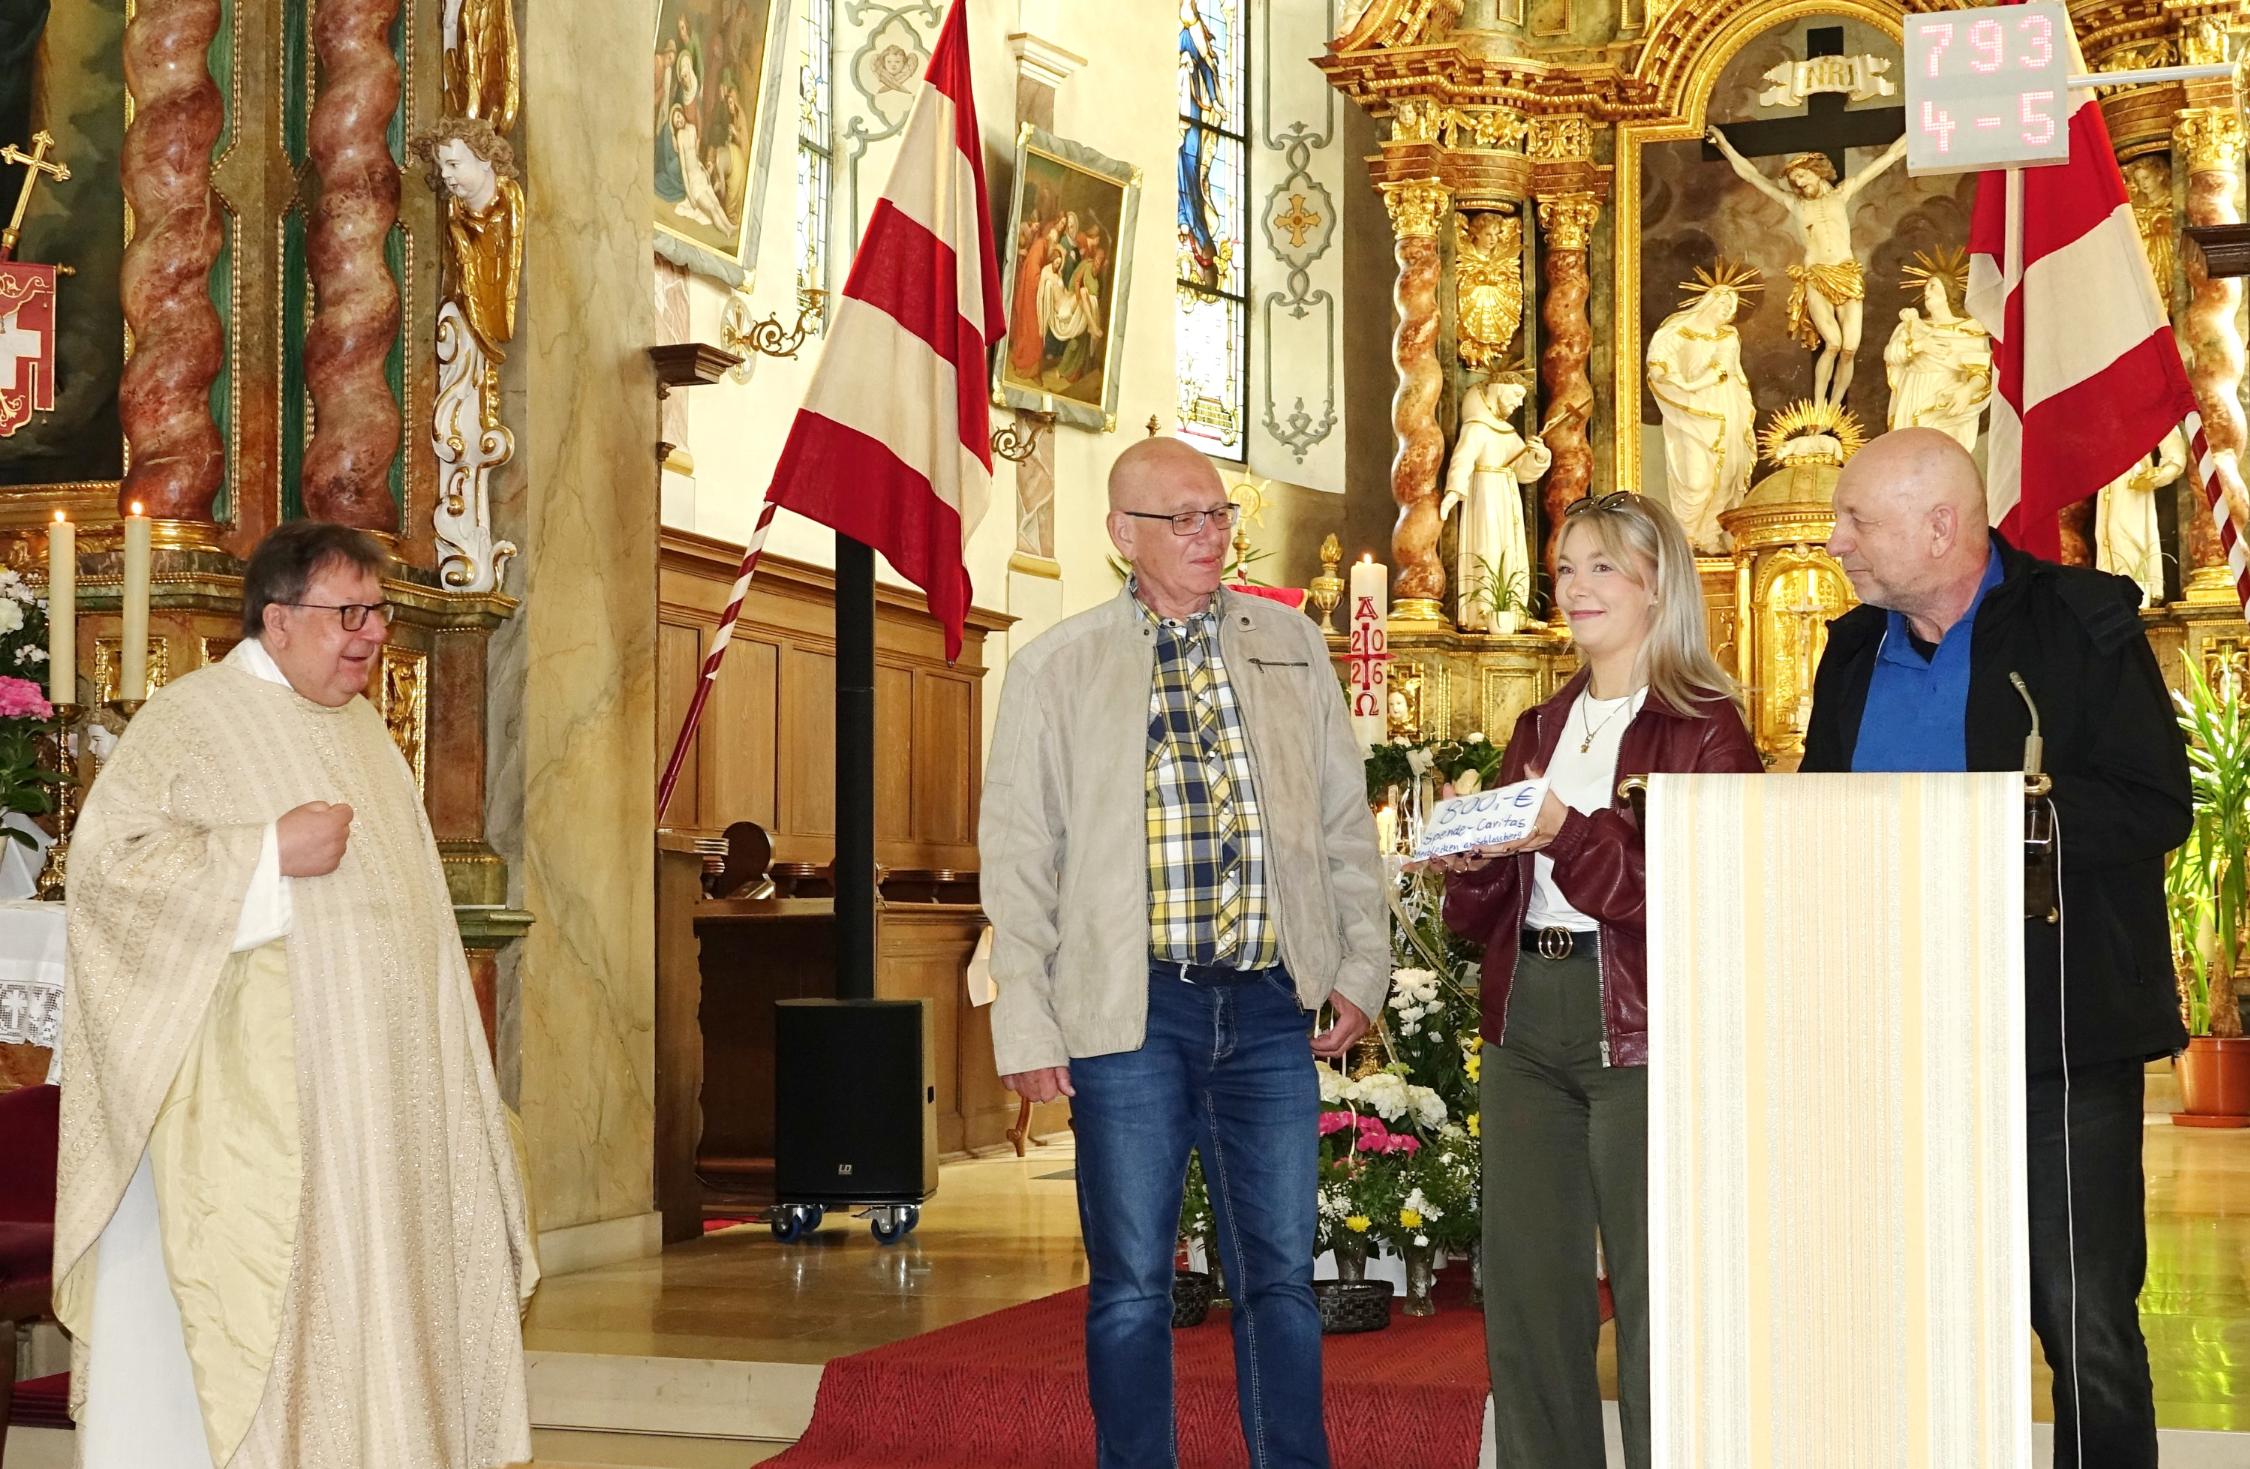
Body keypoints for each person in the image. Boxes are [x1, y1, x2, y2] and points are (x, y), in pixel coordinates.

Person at [55, 521, 537, 1469]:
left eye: (379, 613)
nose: (369, 635)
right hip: (266, 1117)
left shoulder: (366, 734)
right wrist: (266, 853)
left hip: (382, 1114)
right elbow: (111, 874)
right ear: (277, 620)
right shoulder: (192, 718)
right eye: (347, 613)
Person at [980, 437, 1390, 1469]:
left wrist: (1358, 966)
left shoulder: (1291, 647)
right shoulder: (1055, 668)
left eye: (1219, 516)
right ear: (1125, 535)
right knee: (1129, 1283)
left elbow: (1346, 822)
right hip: (1132, 1009)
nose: (1213, 534)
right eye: (1187, 517)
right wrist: (1024, 1016)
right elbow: (1020, 858)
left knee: (1283, 1276)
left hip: (1263, 1006)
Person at [1802, 427, 2188, 1469]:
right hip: (1887, 1045)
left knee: (2083, 1319)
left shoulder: (2082, 623)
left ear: (1941, 524)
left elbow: (2156, 804)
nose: (1834, 538)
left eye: (1857, 520)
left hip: (2056, 1040)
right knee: (1902, 1321)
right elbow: (1814, 826)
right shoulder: (1849, 648)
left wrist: (2008, 822)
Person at [1436, 490, 1759, 1469]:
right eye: (1566, 566)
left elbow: (1696, 900)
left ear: (1659, 584)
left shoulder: (1707, 730)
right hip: (1524, 1020)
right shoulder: (1540, 723)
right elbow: (1475, 920)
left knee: (1663, 1293)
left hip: (1645, 1028)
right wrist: (1472, 855)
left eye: (1601, 566)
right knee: (1530, 1291)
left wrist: (1564, 832)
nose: (1574, 586)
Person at [1706, 127, 1909, 407]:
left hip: (1847, 275)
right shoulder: (1795, 204)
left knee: (1849, 349)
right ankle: (1818, 406)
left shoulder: (1841, 194)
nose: (1798, 184)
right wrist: (1724, 146)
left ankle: (1834, 407)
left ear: (1816, 171)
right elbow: (1751, 175)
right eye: (1794, 181)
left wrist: (1917, 130)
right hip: (1817, 276)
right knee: (1834, 344)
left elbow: (1889, 157)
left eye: (1801, 176)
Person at [1645, 282, 1757, 553]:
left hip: (1723, 408)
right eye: (1723, 303)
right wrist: (1670, 379)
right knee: (1696, 479)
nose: (1727, 310)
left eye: (1731, 307)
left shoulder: (1727, 337)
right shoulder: (1676, 330)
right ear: (1709, 300)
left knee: (1727, 473)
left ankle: (1709, 535)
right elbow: (1659, 361)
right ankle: (1684, 538)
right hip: (1688, 412)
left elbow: (1721, 368)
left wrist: (1688, 385)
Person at [1441, 378, 1552, 631]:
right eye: (1515, 396)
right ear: (1499, 389)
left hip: (1507, 495)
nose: (1518, 403)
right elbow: (1462, 460)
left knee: (1510, 551)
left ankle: (1513, 612)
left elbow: (1522, 472)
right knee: (1487, 546)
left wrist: (1539, 455)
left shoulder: (1509, 432)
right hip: (1485, 493)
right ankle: (1483, 611)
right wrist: (1453, 492)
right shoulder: (1477, 428)